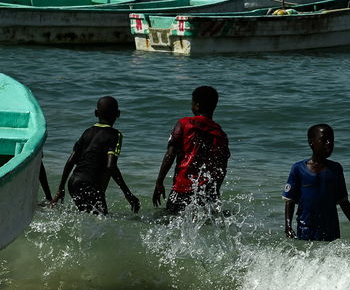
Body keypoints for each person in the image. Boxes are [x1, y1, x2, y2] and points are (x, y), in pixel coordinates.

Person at [51, 95, 140, 215]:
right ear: (118, 114)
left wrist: (60, 189)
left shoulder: (87, 132)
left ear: (95, 113)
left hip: (73, 182)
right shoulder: (115, 135)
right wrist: (127, 194)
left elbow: (71, 160)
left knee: (88, 218)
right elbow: (110, 166)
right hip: (90, 184)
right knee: (101, 220)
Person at [153, 85, 229, 213]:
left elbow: (170, 154)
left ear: (197, 105)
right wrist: (216, 192)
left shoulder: (184, 124)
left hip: (182, 188)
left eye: (192, 103)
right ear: (214, 106)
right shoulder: (220, 134)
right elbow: (222, 166)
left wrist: (159, 182)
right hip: (206, 191)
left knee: (170, 220)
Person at [283, 123, 350, 242]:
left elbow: (343, 201)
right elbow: (290, 200)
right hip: (306, 226)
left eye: (331, 140)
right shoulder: (298, 169)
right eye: (324, 140)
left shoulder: (335, 169)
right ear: (311, 142)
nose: (329, 143)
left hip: (331, 227)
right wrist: (288, 226)